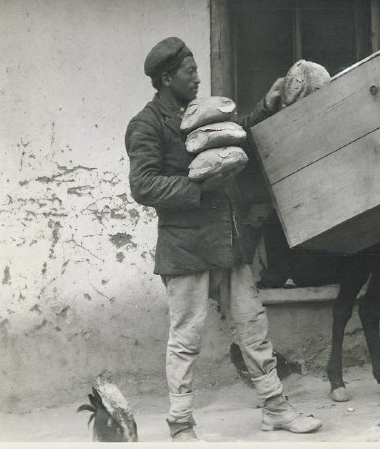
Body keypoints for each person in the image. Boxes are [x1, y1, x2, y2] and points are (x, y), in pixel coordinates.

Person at [125, 37, 322, 441]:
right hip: (186, 249)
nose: (197, 78)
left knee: (253, 327)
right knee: (186, 338)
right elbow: (143, 185)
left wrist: (266, 107)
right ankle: (181, 424)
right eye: (189, 71)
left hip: (228, 243)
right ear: (166, 78)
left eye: (197, 69)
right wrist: (199, 187)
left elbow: (236, 136)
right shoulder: (147, 124)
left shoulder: (203, 112)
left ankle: (276, 409)